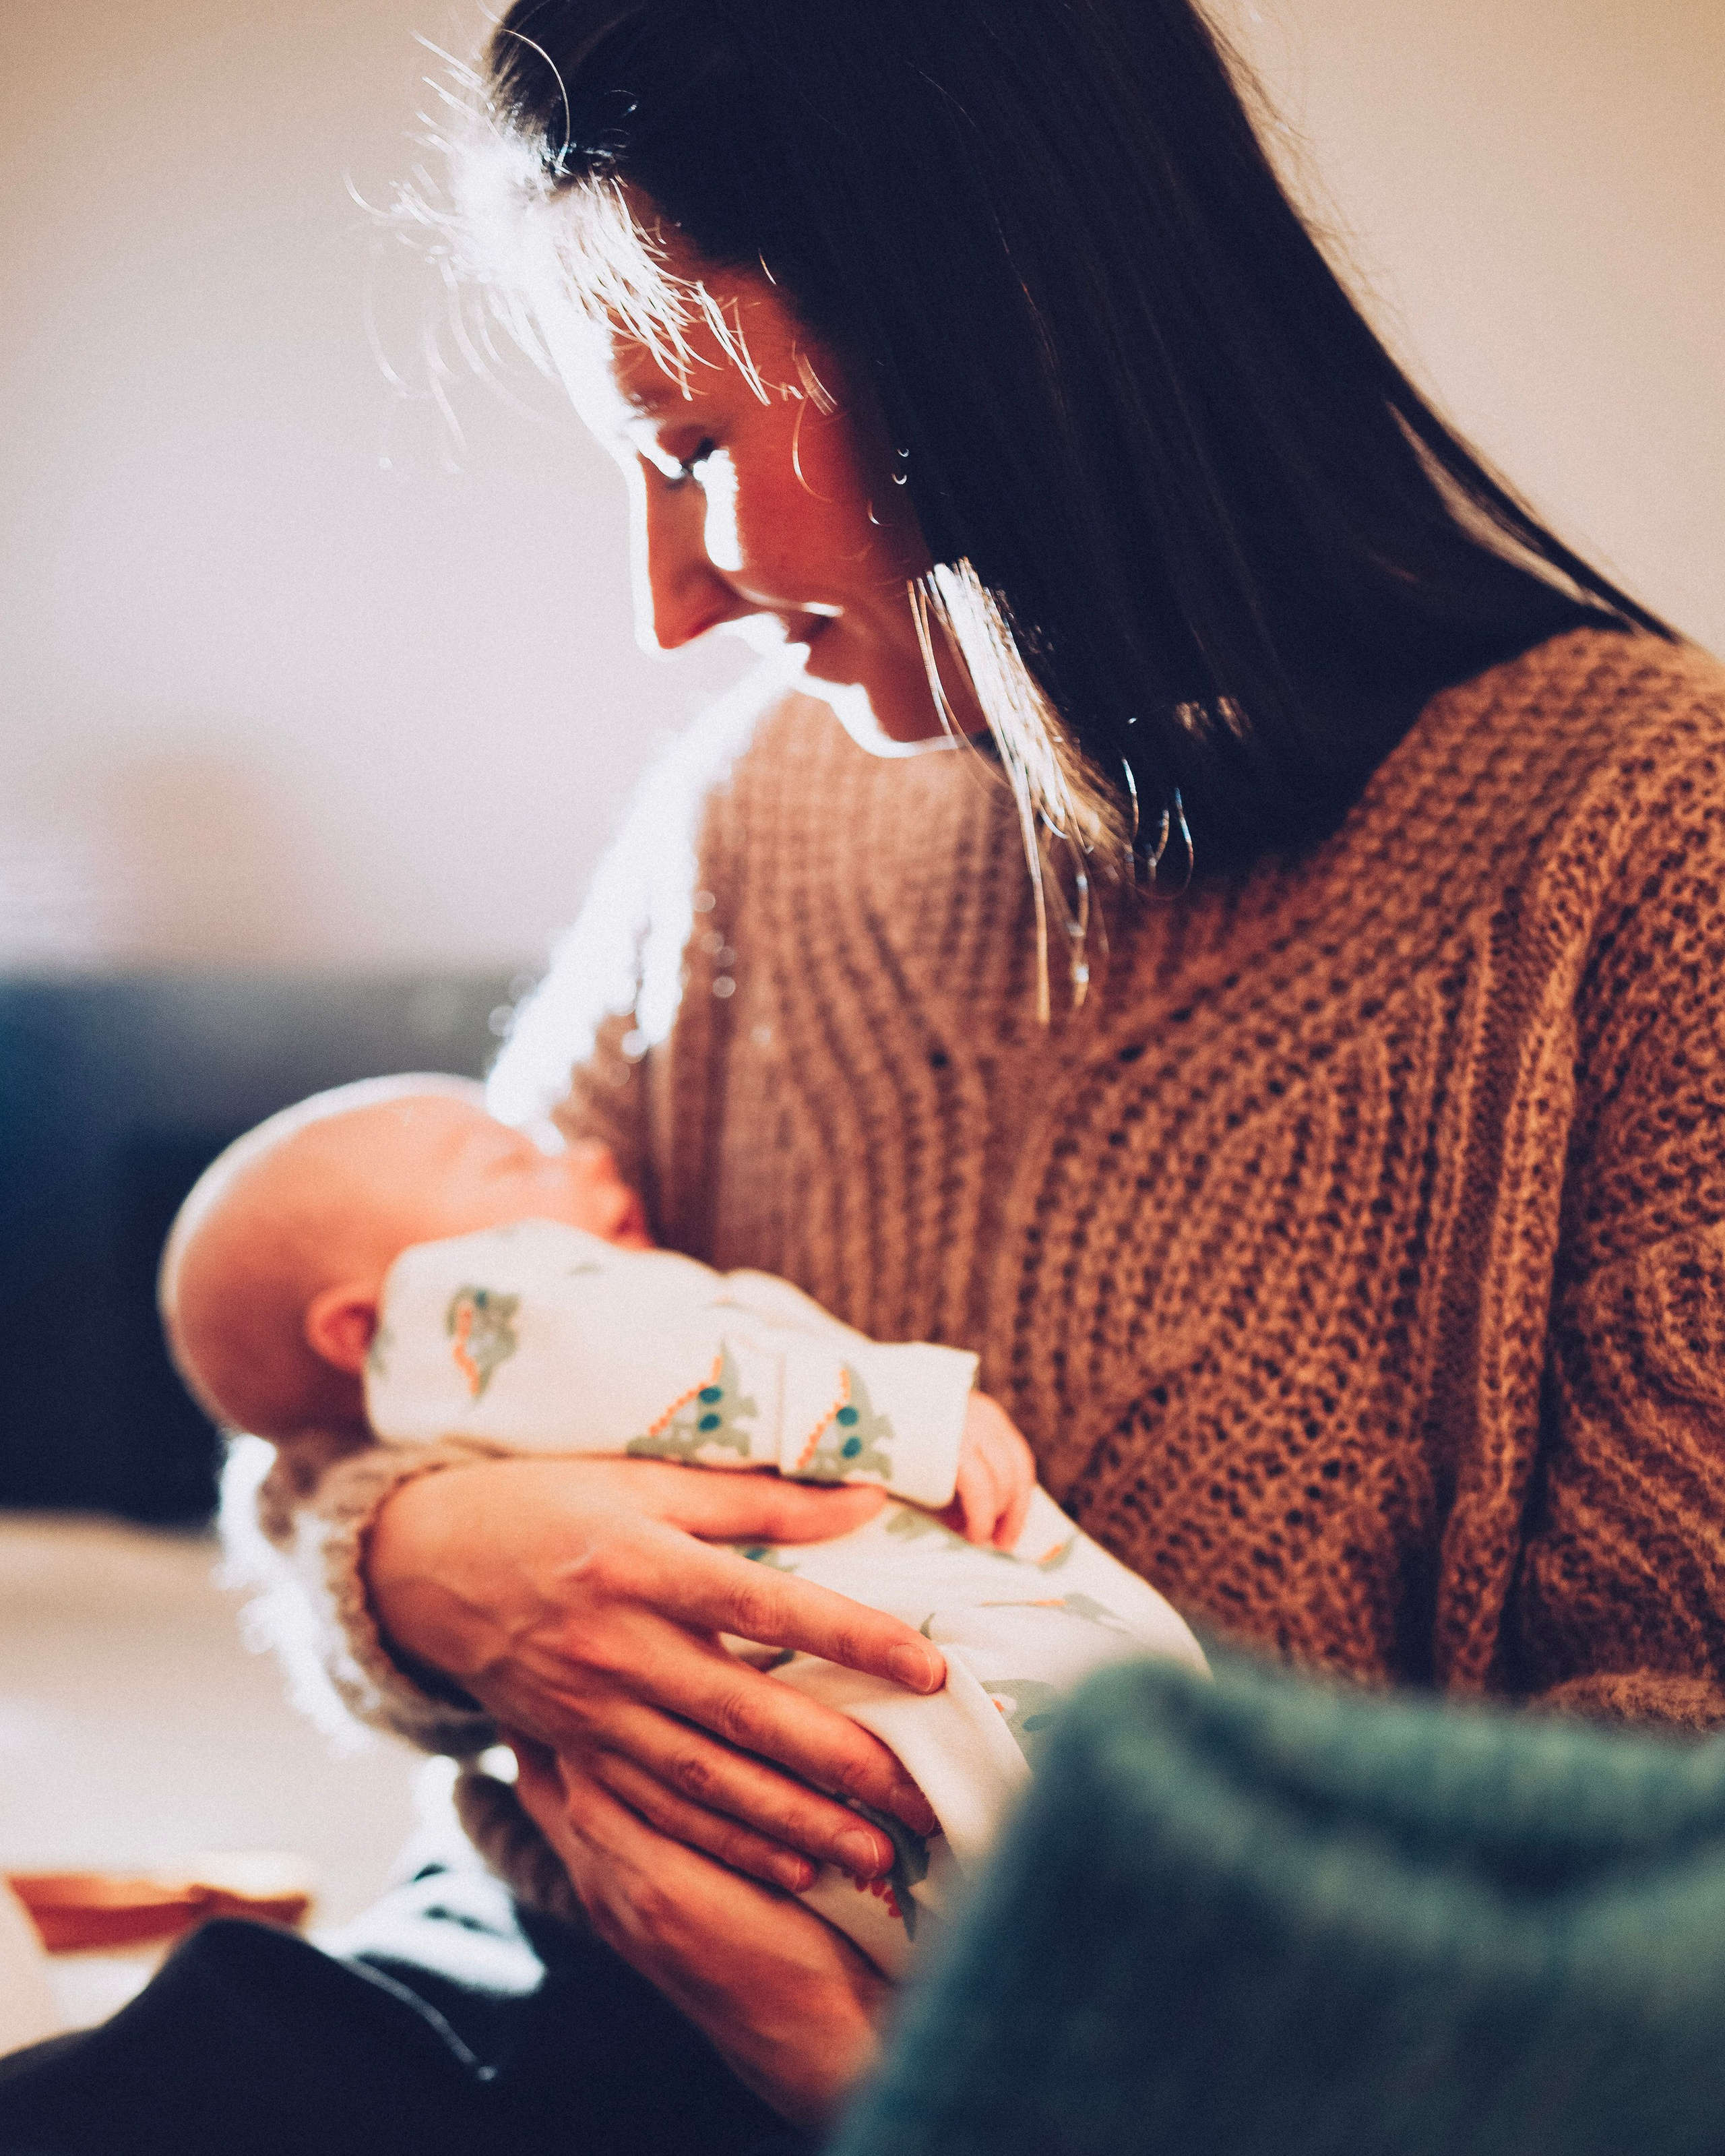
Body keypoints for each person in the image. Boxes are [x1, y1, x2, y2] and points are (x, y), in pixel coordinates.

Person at [2, 0, 1720, 2147]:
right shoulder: (759, 821)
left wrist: (876, 2083)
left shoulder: (1645, 851)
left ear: (989, 332)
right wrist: (426, 1579)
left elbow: (1655, 1916)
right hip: (508, 1988)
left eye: (695, 447)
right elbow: (337, 1381)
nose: (666, 602)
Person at [156, 1076, 1203, 1976]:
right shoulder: (478, 1311)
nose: (591, 1154)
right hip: (821, 1775)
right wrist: (908, 1417)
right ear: (368, 1331)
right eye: (512, 1162)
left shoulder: (463, 1337)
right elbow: (679, 1367)